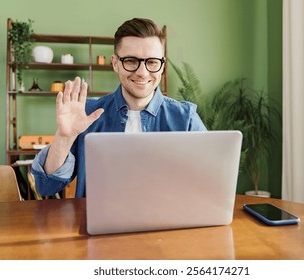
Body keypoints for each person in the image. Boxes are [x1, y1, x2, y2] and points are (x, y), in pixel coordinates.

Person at [31, 18, 207, 198]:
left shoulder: (186, 118)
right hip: (99, 224)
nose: (142, 72)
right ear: (115, 63)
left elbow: (208, 184)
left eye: (152, 62)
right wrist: (64, 137)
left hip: (168, 223)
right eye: (131, 61)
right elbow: (46, 187)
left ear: (162, 66)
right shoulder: (87, 114)